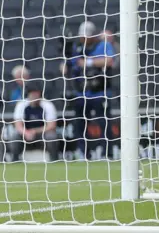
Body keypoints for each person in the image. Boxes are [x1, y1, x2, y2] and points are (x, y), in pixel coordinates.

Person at [62, 21, 116, 160]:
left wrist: (88, 62)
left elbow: (109, 61)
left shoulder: (103, 45)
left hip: (100, 91)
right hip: (82, 92)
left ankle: (107, 153)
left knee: (104, 123)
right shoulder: (77, 47)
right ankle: (83, 153)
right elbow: (68, 65)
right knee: (79, 123)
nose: (83, 39)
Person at [8, 83, 59, 162]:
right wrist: (26, 133)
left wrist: (35, 131)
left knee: (51, 136)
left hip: (42, 134)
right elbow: (18, 125)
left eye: (36, 93)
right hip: (26, 134)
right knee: (14, 136)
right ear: (28, 94)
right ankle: (15, 160)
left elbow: (51, 125)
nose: (34, 95)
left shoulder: (47, 105)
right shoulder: (21, 105)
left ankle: (54, 159)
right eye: (32, 93)